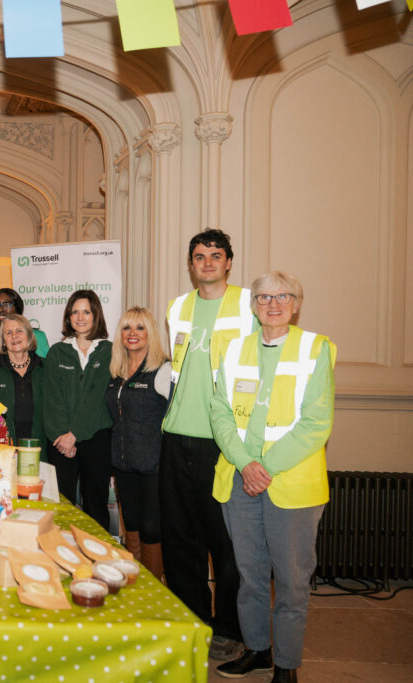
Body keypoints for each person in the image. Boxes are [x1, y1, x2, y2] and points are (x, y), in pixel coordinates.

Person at [210, 273, 335, 683]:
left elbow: (317, 424)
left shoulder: (316, 349)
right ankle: (259, 650)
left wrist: (265, 468)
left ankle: (287, 664)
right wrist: (246, 464)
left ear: (296, 303)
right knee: (250, 575)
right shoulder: (233, 350)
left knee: (292, 580)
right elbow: (220, 413)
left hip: (292, 485)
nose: (273, 303)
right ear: (254, 305)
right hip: (240, 479)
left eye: (284, 296)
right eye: (264, 297)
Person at [162, 228, 252, 659]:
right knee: (181, 539)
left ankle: (229, 628)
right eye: (200, 256)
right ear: (191, 264)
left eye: (216, 255)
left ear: (229, 262)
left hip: (224, 440)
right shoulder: (178, 307)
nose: (208, 262)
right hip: (178, 436)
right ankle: (192, 620)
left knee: (228, 541)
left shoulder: (250, 305)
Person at [105, 306, 171, 579]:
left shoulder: (163, 370)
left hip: (153, 466)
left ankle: (155, 586)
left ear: (150, 333)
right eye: (127, 328)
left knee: (152, 528)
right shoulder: (117, 373)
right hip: (123, 464)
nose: (133, 334)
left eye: (140, 328)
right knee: (129, 523)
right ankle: (136, 585)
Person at [41, 290, 113, 530]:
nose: (80, 317)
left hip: (97, 439)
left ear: (96, 315)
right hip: (61, 441)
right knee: (63, 507)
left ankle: (99, 562)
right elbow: (51, 400)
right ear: (68, 317)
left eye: (86, 312)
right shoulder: (57, 352)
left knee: (96, 506)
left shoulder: (110, 351)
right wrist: (64, 437)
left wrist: (75, 435)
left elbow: (98, 398)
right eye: (75, 312)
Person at [0, 313, 45, 444]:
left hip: (42, 449)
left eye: (19, 331)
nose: (14, 336)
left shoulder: (46, 368)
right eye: (8, 332)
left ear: (29, 335)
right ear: (3, 341)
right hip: (3, 451)